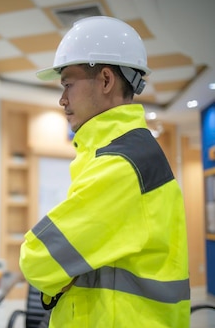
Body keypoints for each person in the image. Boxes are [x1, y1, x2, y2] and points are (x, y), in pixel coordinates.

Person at [19, 16, 190, 327]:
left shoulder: (123, 165)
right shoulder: (121, 155)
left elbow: (36, 259)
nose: (62, 99)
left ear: (107, 80)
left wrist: (62, 273)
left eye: (68, 84)